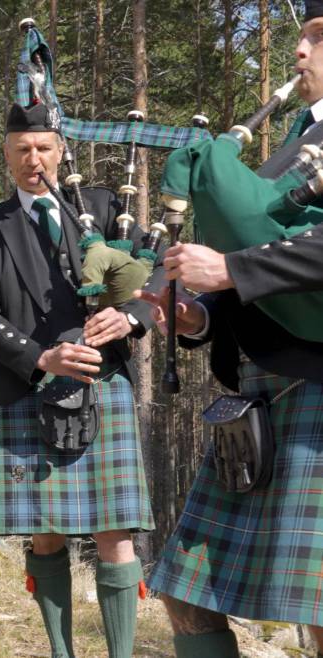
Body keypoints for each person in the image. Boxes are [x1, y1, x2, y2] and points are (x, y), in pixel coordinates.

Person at [138, 5, 323, 655]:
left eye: (317, 38)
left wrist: (232, 267)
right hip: (260, 396)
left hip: (315, 392)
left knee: (321, 610)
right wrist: (201, 313)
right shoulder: (301, 136)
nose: (299, 52)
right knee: (185, 591)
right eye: (300, 35)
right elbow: (272, 249)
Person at [0, 103, 164, 658]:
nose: (35, 160)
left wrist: (132, 316)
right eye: (22, 150)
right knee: (46, 530)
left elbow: (159, 263)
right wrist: (40, 357)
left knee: (115, 532)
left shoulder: (100, 207)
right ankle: (61, 653)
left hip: (104, 381)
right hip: (31, 387)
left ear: (60, 151)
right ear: (6, 157)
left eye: (44, 148)